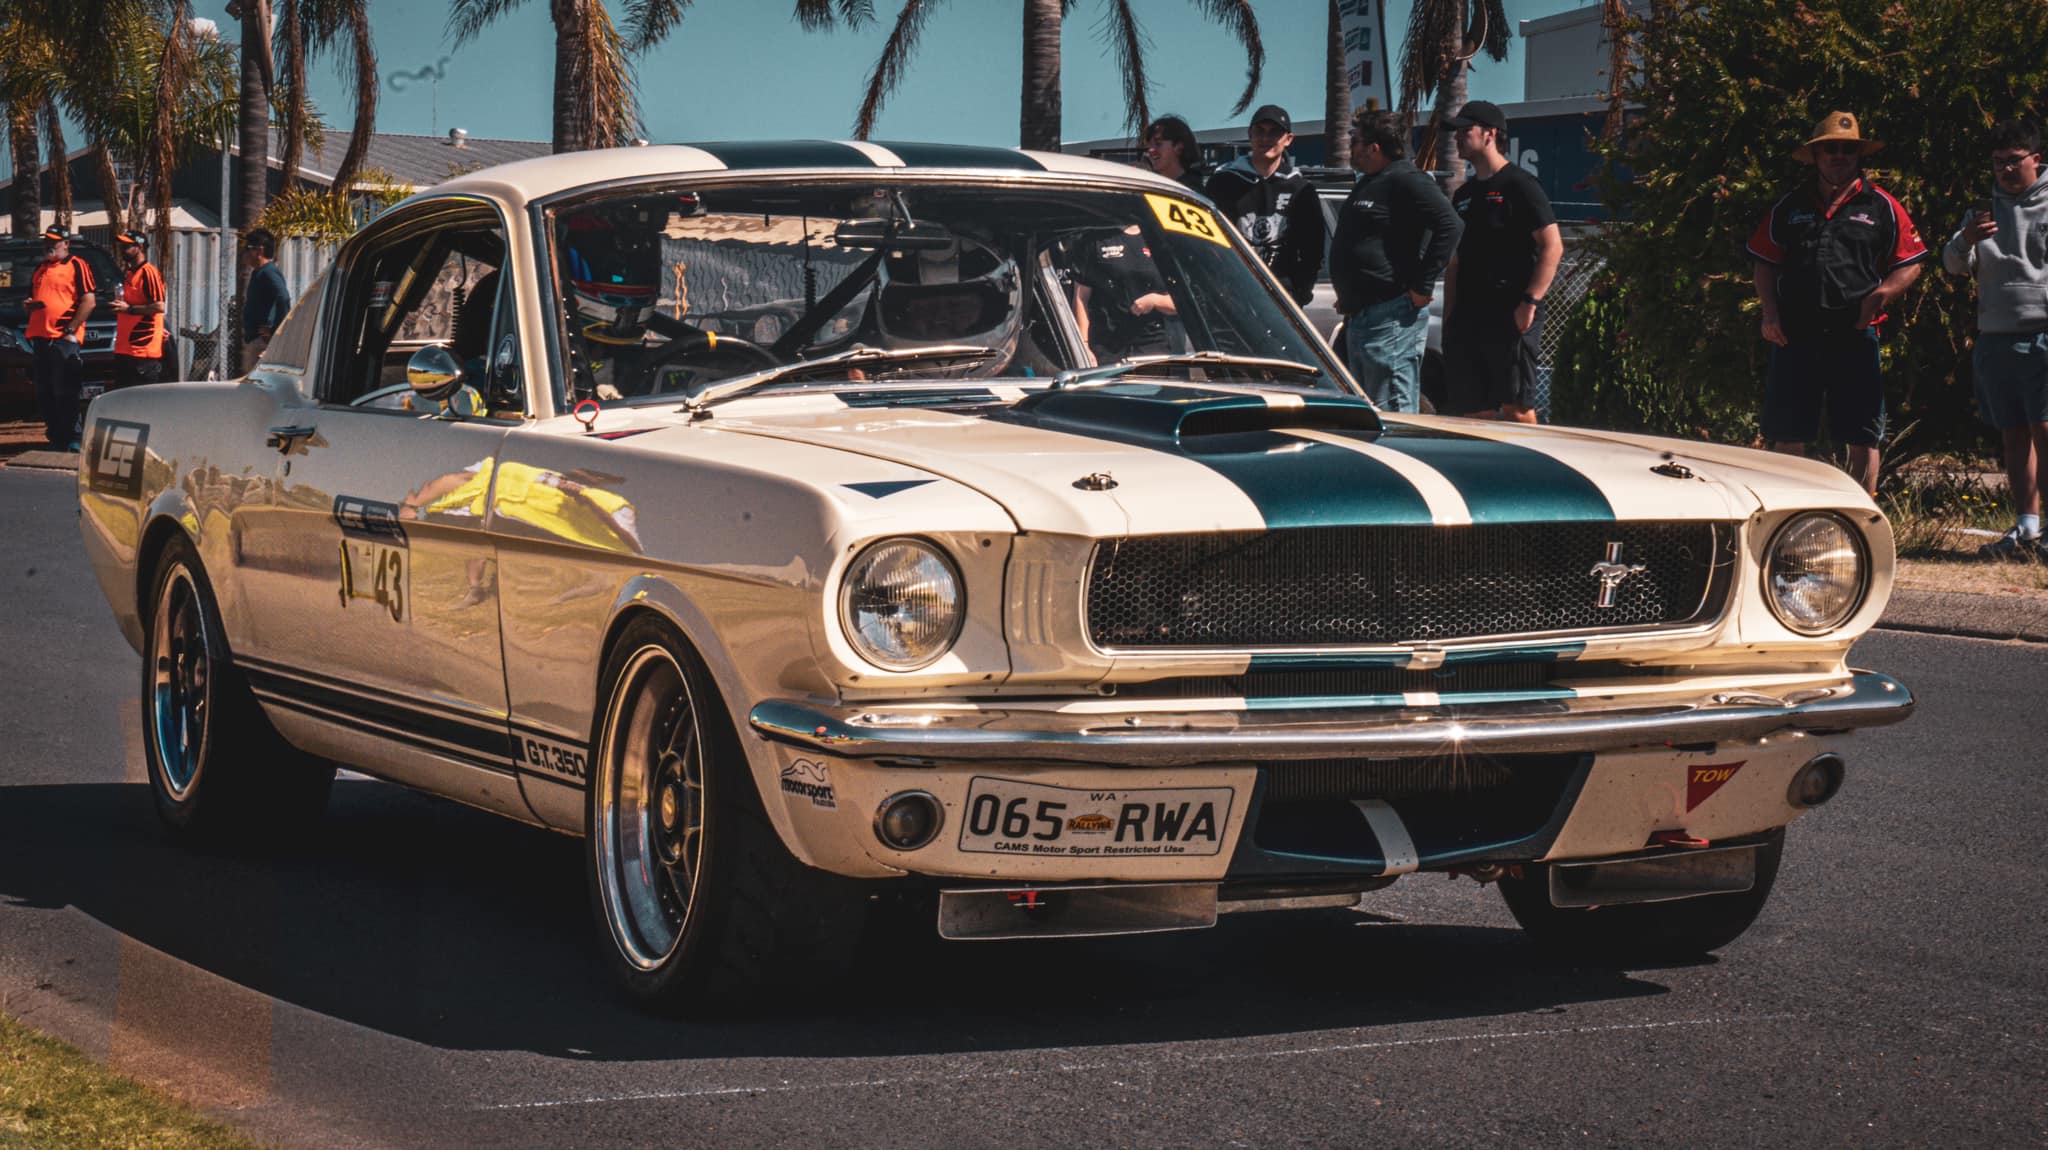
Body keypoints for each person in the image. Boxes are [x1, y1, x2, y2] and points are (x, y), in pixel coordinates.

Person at [1747, 111, 1926, 495]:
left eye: (1848, 149)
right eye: (1831, 149)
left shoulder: (1881, 205)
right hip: (1794, 335)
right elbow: (1765, 261)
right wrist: (1769, 314)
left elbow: (1910, 263)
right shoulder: (1789, 206)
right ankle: (1789, 512)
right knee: (1789, 432)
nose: (1839, 156)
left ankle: (1862, 516)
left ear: (1859, 155)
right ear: (1815, 156)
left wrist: (1883, 295)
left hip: (1856, 335)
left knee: (1862, 434)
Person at [1944, 120, 2048, 559]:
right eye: (1997, 163)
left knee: (2046, 431)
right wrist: (1966, 238)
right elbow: (1952, 264)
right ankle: (2026, 528)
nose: (2005, 170)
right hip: (1996, 337)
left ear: (2036, 160)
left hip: (2041, 334)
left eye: (2013, 161)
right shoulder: (1981, 211)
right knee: (2013, 434)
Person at [1330, 108, 1462, 412]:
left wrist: (1422, 285)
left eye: (1356, 140)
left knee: (1393, 410)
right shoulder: (1370, 181)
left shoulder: (1407, 178)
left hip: (1390, 317)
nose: (1351, 146)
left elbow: (1450, 225)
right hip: (1361, 316)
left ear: (1374, 147)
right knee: (1369, 412)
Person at [1440, 100, 1561, 423]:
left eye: (1465, 131)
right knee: (1474, 410)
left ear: (1491, 134)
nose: (1458, 138)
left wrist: (1529, 302)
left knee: (1516, 408)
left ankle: (1536, 469)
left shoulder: (1519, 185)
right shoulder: (1463, 195)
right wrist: (1450, 318)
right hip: (1469, 316)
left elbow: (1552, 246)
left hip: (1510, 313)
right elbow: (1455, 262)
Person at [1205, 104, 1324, 304]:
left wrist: (1300, 292)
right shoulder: (1223, 182)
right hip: (1230, 295)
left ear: (1288, 139)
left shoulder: (1300, 189)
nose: (1265, 139)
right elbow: (1206, 239)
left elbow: (1312, 249)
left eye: (1274, 133)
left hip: (1281, 300)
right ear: (1249, 134)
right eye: (1259, 131)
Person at [25, 226, 96, 450]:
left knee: (66, 390)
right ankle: (55, 436)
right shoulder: (41, 268)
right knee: (45, 391)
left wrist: (72, 328)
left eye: (55, 242)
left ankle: (73, 437)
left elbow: (89, 300)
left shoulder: (76, 264)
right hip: (40, 337)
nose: (50, 245)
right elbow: (38, 299)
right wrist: (31, 305)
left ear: (66, 243)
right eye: (47, 241)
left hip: (63, 340)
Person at [1071, 226, 1176, 365]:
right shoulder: (1095, 239)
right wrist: (1083, 346)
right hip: (1106, 346)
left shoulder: (1159, 240)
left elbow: (1181, 303)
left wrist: (1155, 300)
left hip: (1152, 344)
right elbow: (1080, 298)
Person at [109, 231, 168, 389]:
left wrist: (129, 309)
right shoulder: (129, 273)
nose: (122, 249)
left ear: (139, 247)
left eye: (127, 246)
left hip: (142, 350)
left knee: (143, 401)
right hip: (125, 349)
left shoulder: (149, 272)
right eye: (122, 246)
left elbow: (159, 306)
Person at [240, 227, 291, 374]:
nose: (245, 252)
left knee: (255, 390)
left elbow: (283, 297)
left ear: (259, 251)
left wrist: (276, 331)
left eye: (248, 248)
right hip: (257, 342)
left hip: (262, 344)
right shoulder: (260, 273)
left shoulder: (268, 272)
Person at [1143, 115, 1208, 191]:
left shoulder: (1191, 193)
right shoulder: (1151, 187)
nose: (1150, 150)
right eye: (1149, 146)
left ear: (1179, 147)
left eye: (1158, 144)